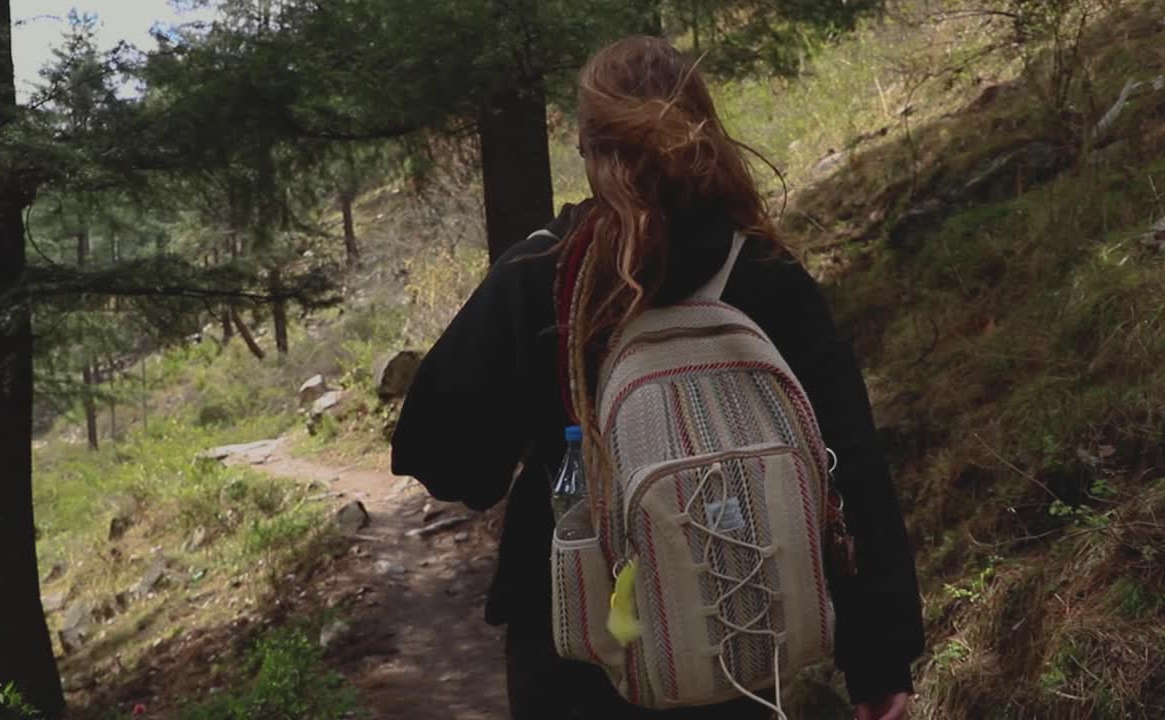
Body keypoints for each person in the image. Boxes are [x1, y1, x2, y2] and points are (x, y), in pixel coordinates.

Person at [391, 36, 924, 720]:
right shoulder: (765, 271)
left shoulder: (541, 274)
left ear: (590, 149)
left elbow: (444, 456)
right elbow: (847, 462)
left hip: (575, 647)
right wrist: (879, 655)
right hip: (737, 628)